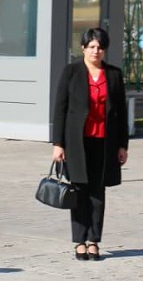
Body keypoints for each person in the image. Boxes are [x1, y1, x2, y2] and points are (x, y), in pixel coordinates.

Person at [52, 27, 129, 261]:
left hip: (104, 142)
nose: (96, 51)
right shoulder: (71, 72)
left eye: (100, 47)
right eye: (92, 46)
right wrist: (58, 144)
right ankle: (79, 241)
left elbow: (121, 112)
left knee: (97, 192)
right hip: (77, 142)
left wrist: (122, 145)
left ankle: (94, 240)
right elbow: (60, 109)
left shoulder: (114, 74)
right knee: (78, 191)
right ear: (83, 48)